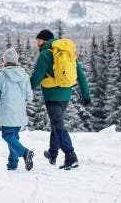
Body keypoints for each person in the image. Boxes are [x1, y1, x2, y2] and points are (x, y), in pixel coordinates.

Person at [30, 29, 91, 170]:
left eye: (38, 41)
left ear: (44, 41)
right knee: (56, 123)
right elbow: (80, 75)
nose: (37, 44)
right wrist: (86, 94)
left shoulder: (45, 54)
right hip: (66, 94)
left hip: (52, 96)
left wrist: (24, 92)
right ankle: (52, 153)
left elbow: (36, 78)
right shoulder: (65, 52)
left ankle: (71, 156)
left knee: (58, 126)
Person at [0, 48, 35, 171]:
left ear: (5, 61)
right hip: (19, 111)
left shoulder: (1, 76)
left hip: (7, 111)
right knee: (14, 136)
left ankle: (25, 152)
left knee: (7, 135)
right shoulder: (25, 76)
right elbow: (30, 97)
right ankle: (13, 163)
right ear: (16, 60)